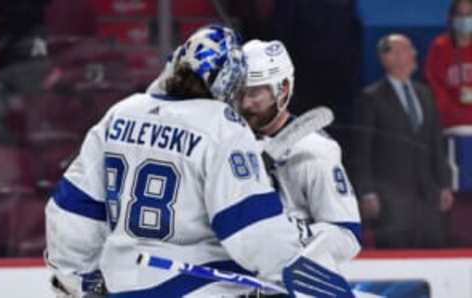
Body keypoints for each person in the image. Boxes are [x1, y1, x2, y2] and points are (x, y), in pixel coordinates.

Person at [45, 25, 355, 298]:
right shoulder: (222, 125)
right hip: (198, 286)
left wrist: (75, 277)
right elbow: (252, 229)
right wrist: (294, 271)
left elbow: (74, 209)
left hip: (122, 283)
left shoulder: (121, 113)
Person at [238, 39, 361, 291]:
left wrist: (288, 235)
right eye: (239, 93)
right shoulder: (229, 145)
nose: (245, 104)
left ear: (282, 89)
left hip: (291, 289)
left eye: (254, 93)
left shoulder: (316, 151)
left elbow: (347, 236)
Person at [354, 34, 454, 248]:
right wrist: (367, 192)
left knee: (433, 253)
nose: (414, 54)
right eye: (407, 49)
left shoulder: (425, 94)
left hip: (428, 194)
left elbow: (435, 142)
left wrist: (444, 184)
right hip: (390, 198)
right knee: (396, 254)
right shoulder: (371, 97)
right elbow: (362, 150)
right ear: (388, 57)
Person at [425, 0, 472, 128]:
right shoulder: (440, 47)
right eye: (460, 15)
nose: (464, 20)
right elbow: (434, 84)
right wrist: (453, 114)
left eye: (469, 15)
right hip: (450, 124)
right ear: (451, 18)